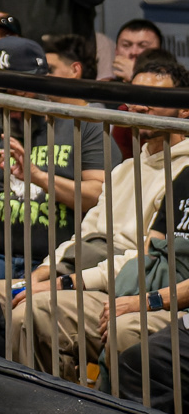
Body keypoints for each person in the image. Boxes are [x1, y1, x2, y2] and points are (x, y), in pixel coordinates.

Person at [12, 58, 189, 376]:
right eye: (135, 97)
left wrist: (65, 282)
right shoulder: (125, 170)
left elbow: (147, 259)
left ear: (185, 109)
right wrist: (46, 270)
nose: (141, 106)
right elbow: (86, 232)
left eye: (155, 98)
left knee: (28, 311)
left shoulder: (183, 172)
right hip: (93, 273)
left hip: (122, 284)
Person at [0, 37, 106, 285]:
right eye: (2, 91)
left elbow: (99, 196)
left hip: (59, 260)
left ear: (41, 82)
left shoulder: (82, 123)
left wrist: (38, 177)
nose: (12, 99)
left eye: (20, 89)